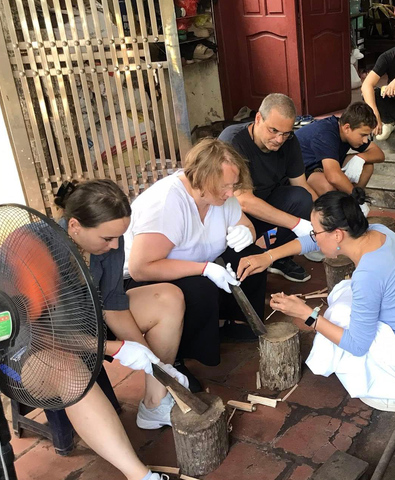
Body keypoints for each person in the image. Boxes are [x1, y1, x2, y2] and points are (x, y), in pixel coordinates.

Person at [236, 189, 395, 413]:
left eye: (316, 231)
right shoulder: (378, 232)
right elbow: (314, 242)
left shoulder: (368, 275)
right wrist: (268, 256)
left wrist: (306, 314)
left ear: (337, 234)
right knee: (343, 293)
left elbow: (357, 345)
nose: (313, 237)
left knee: (338, 316)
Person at [54, 179, 189, 480]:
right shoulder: (39, 247)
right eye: (107, 239)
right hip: (38, 342)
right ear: (74, 226)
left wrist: (154, 364)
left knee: (168, 298)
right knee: (72, 376)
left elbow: (112, 304)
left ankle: (154, 402)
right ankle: (139, 475)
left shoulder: (110, 238)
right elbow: (46, 331)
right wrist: (118, 349)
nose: (115, 246)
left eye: (119, 237)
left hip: (89, 321)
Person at [123, 138, 266, 372]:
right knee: (201, 288)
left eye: (234, 184)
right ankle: (180, 356)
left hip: (197, 261)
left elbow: (245, 224)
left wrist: (246, 233)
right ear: (202, 178)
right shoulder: (168, 201)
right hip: (145, 278)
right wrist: (205, 269)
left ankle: (232, 321)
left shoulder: (223, 198)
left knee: (250, 256)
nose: (231, 193)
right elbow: (141, 267)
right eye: (224, 186)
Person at [219, 93, 319, 283]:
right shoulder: (233, 141)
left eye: (286, 133)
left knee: (302, 198)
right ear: (258, 118)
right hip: (235, 216)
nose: (280, 139)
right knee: (243, 272)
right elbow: (244, 201)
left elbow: (301, 185)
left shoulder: (289, 142)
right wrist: (297, 224)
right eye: (273, 130)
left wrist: (324, 218)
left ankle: (279, 257)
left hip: (268, 202)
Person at [295, 102, 385, 210]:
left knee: (367, 165)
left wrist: (361, 158)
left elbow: (379, 154)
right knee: (329, 186)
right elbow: (333, 176)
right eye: (363, 135)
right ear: (347, 128)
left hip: (323, 166)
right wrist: (356, 198)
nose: (365, 140)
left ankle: (349, 206)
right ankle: (343, 209)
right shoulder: (326, 133)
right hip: (302, 172)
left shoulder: (349, 131)